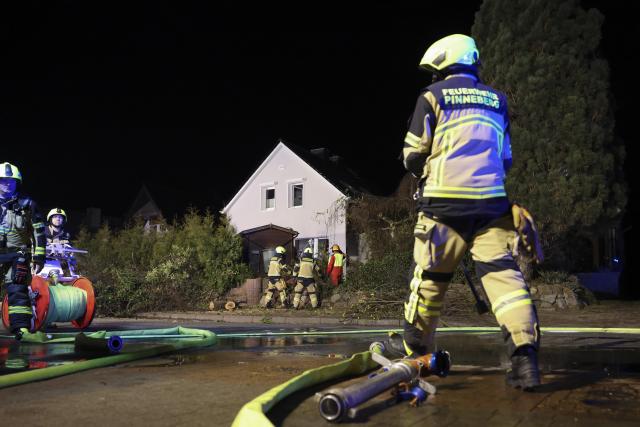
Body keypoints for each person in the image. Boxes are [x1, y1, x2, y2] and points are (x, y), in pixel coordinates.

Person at [396, 34, 543, 390]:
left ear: (444, 65)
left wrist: (425, 172)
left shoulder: (432, 97)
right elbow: (505, 158)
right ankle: (525, 361)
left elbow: (412, 154)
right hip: (492, 207)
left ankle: (415, 354)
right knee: (506, 284)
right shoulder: (498, 100)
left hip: (443, 209)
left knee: (429, 281)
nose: (434, 78)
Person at [0, 162, 46, 340]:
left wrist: (39, 256)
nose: (7, 184)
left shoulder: (28, 204)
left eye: (11, 181)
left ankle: (21, 330)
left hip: (17, 256)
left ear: (17, 183)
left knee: (18, 291)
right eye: (3, 180)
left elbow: (38, 231)